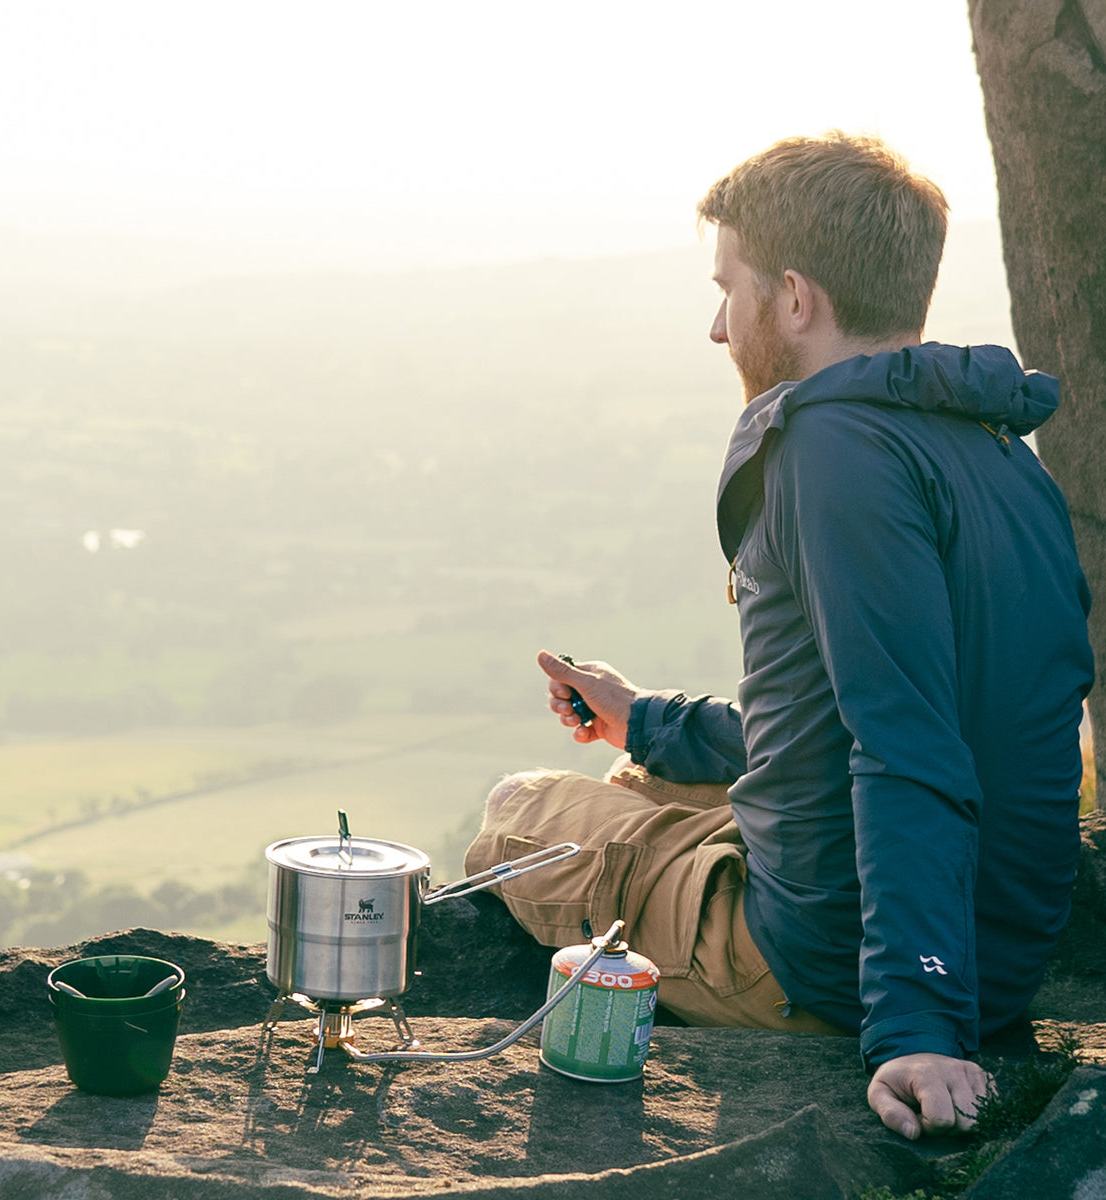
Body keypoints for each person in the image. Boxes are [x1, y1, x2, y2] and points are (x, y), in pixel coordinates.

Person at [464, 132, 1094, 1141]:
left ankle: (796, 965)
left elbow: (903, 743)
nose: (719, 327)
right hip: (999, 943)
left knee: (517, 812)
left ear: (795, 299)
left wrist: (919, 1026)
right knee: (633, 780)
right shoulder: (998, 451)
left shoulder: (826, 450)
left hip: (830, 964)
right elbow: (872, 713)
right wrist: (649, 723)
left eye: (731, 289)